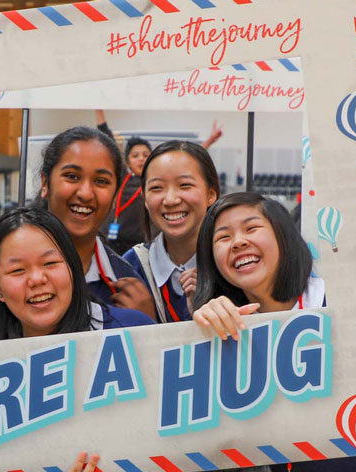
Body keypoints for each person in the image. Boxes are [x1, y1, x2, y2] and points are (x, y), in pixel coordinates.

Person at [191, 193, 356, 472]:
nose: (238, 241)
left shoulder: (352, 296)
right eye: (222, 237)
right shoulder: (226, 326)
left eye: (251, 228)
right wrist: (204, 330)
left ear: (284, 236)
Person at [0, 207, 153, 344]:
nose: (37, 279)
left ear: (73, 267)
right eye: (18, 270)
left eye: (50, 263)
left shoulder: (133, 332)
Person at [35, 126, 157, 320]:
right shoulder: (4, 268)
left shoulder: (127, 284)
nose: (85, 193)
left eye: (101, 181)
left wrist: (146, 326)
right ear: (45, 183)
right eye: (72, 176)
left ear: (115, 195)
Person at [94, 110, 222, 254]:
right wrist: (99, 111)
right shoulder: (122, 177)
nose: (141, 159)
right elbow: (108, 140)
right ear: (127, 161)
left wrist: (210, 140)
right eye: (135, 155)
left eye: (145, 155)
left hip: (140, 241)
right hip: (113, 243)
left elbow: (187, 160)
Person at [121, 140, 220, 323]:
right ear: (144, 198)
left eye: (185, 185)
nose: (171, 199)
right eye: (157, 188)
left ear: (211, 194)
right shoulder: (129, 269)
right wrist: (143, 321)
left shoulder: (232, 264)